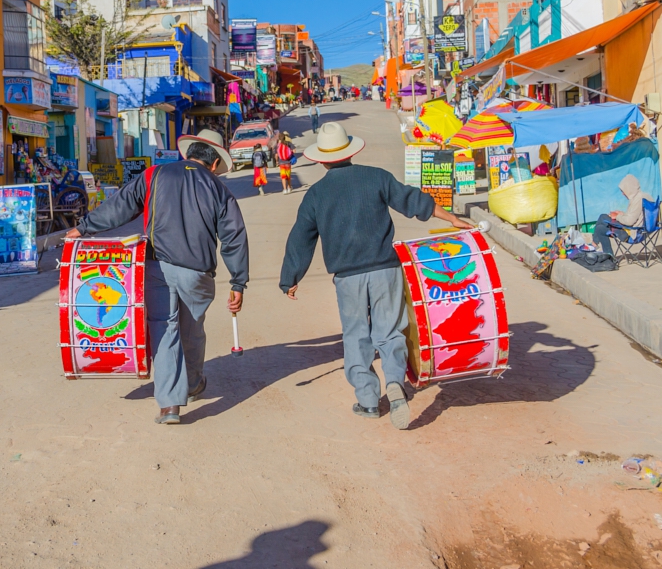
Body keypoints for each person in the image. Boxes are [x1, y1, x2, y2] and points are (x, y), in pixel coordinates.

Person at [278, 123, 472, 430]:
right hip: (385, 270)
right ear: (351, 152)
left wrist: (290, 277)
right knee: (391, 330)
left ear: (322, 160)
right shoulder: (376, 177)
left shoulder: (316, 194)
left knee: (356, 334)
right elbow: (414, 201)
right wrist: (453, 219)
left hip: (348, 277)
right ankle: (395, 382)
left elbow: (301, 237)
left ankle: (368, 401)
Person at [66, 129, 249, 425]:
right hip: (198, 273)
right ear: (215, 163)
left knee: (165, 330)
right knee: (191, 330)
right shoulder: (218, 189)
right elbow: (234, 236)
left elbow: (121, 205)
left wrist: (85, 227)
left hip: (157, 267)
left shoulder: (155, 174)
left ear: (189, 153)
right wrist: (238, 281)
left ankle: (169, 406)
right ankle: (192, 384)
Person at [593, 174, 655, 256]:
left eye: (623, 190)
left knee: (603, 217)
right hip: (641, 231)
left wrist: (617, 217)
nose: (623, 194)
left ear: (629, 188)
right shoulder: (645, 196)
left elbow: (629, 221)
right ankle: (608, 256)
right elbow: (636, 216)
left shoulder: (638, 199)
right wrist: (621, 213)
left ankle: (593, 245)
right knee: (600, 228)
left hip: (632, 233)